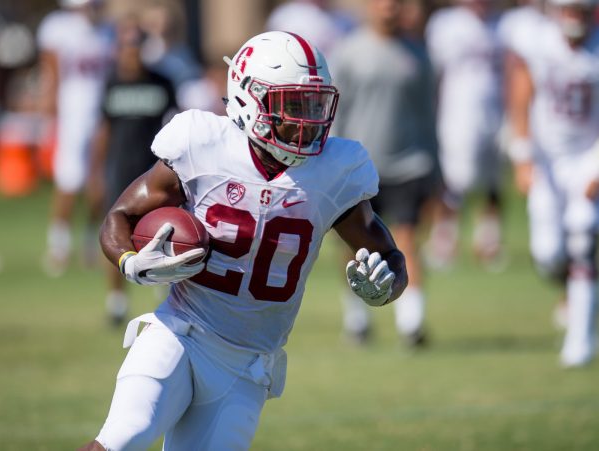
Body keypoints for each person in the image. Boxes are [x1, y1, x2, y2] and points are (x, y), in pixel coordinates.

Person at [78, 31, 408, 450]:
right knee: (122, 438)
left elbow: (389, 255)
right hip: (180, 331)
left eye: (314, 104)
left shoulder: (336, 169)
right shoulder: (202, 143)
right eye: (292, 105)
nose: (306, 120)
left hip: (248, 364)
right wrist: (129, 261)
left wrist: (385, 287)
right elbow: (121, 216)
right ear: (250, 98)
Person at [330, 0, 440, 346]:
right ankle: (357, 319)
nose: (389, 8)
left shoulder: (417, 55)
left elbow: (428, 115)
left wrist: (436, 167)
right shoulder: (348, 53)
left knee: (406, 240)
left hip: (409, 164)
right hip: (360, 167)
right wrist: (332, 162)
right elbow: (335, 113)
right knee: (353, 245)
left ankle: (411, 323)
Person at [506, 0, 599, 367]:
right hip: (547, 159)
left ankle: (580, 339)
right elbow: (520, 95)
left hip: (586, 156)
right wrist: (523, 154)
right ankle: (572, 294)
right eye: (569, 11)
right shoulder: (537, 41)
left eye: (581, 11)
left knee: (582, 237)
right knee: (548, 254)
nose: (574, 19)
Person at [86, 15, 177, 325]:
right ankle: (117, 303)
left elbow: (174, 126)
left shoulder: (162, 82)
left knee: (166, 233)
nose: (132, 51)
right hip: (120, 169)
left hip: (154, 173)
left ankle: (166, 299)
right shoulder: (111, 83)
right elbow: (103, 131)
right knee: (116, 233)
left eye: (137, 44)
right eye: (126, 45)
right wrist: (95, 173)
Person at [423, 0, 507, 270]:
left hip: (497, 114)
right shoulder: (446, 24)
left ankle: (489, 241)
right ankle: (444, 239)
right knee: (453, 183)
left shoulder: (503, 25)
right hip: (457, 115)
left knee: (493, 183)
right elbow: (432, 74)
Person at [37, 0, 114, 276]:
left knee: (100, 181)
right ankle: (59, 243)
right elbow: (51, 74)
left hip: (103, 115)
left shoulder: (109, 31)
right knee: (69, 179)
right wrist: (51, 110)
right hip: (72, 115)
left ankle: (91, 240)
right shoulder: (59, 28)